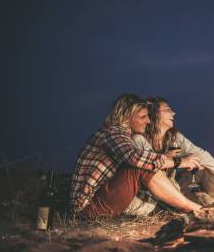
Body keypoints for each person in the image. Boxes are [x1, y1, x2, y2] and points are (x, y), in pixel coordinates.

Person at [69, 93, 203, 218]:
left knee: (144, 164)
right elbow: (135, 158)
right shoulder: (112, 133)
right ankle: (192, 208)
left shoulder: (120, 136)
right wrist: (179, 162)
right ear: (127, 116)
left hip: (97, 202)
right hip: (87, 209)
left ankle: (180, 207)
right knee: (141, 166)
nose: (148, 121)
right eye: (143, 117)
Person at [128, 96, 214, 210]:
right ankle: (207, 205)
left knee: (201, 167)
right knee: (198, 197)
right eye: (167, 110)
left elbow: (201, 155)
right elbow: (148, 170)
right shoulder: (139, 138)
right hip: (153, 193)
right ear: (154, 113)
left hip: (174, 186)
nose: (173, 113)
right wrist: (176, 161)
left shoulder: (174, 138)